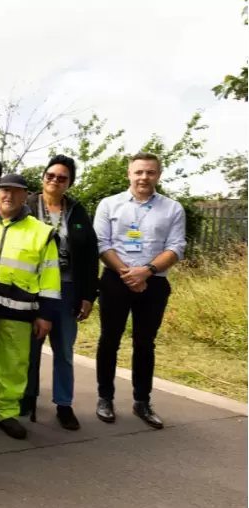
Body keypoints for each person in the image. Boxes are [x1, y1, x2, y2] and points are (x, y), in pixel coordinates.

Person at [0, 174, 61, 441]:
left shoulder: (42, 232)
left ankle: (6, 413)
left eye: (16, 191)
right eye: (4, 190)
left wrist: (45, 314)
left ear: (25, 195)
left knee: (14, 363)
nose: (9, 195)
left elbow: (50, 277)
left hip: (19, 310)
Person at [93, 152, 186, 430]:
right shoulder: (109, 204)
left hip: (154, 283)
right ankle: (105, 398)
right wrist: (128, 273)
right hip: (115, 280)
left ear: (158, 175)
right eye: (139, 172)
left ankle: (142, 401)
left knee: (145, 344)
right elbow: (101, 244)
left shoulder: (172, 208)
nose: (144, 177)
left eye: (150, 172)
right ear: (129, 174)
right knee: (109, 340)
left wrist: (146, 271)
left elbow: (176, 247)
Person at [20, 155, 99, 430]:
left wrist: (88, 295)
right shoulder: (27, 205)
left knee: (63, 349)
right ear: (43, 177)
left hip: (67, 290)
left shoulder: (76, 211)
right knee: (30, 348)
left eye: (62, 177)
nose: (55, 180)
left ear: (69, 183)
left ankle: (64, 404)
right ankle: (27, 397)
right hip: (33, 288)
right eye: (50, 175)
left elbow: (90, 255)